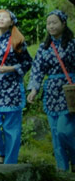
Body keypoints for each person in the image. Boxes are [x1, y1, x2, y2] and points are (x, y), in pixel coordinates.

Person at [0, 9, 32, 164]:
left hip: (13, 89)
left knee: (12, 130)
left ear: (11, 22)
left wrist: (11, 68)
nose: (1, 19)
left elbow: (28, 62)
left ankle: (10, 163)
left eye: (5, 17)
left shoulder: (18, 41)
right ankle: (3, 151)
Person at [27, 10, 75, 172]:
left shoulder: (72, 44)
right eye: (49, 23)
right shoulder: (44, 47)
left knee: (64, 131)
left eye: (55, 22)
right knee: (55, 133)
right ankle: (62, 169)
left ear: (63, 23)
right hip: (52, 93)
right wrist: (34, 89)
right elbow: (37, 70)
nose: (51, 26)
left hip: (69, 92)